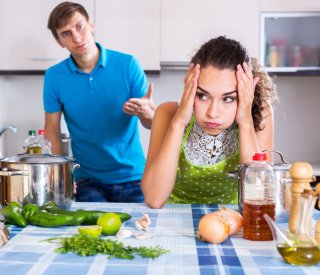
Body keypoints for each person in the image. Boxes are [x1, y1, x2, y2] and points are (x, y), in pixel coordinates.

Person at [141, 36, 278, 208]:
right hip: (171, 221)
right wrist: (179, 122)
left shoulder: (260, 114)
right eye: (203, 96)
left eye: (228, 99)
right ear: (190, 88)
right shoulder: (167, 113)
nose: (212, 113)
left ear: (246, 93)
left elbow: (260, 199)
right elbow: (154, 199)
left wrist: (245, 122)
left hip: (231, 221)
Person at [43, 2, 155, 202]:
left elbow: (152, 123)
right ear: (59, 41)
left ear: (91, 25)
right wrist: (60, 175)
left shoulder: (128, 65)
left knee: (141, 231)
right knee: (90, 232)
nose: (76, 37)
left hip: (134, 177)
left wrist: (146, 112)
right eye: (66, 33)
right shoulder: (54, 77)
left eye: (79, 26)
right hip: (87, 180)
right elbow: (51, 128)